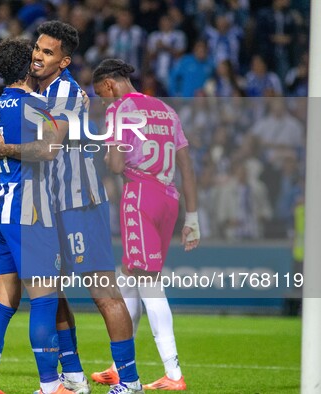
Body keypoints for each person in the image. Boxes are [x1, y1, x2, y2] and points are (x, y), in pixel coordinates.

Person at [0, 21, 143, 394]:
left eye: (47, 52)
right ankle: (72, 377)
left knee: (103, 292)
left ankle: (131, 381)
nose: (38, 56)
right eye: (37, 49)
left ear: (64, 60)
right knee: (49, 293)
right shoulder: (35, 92)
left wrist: (6, 148)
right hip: (46, 207)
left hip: (78, 203)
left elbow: (48, 146)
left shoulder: (66, 93)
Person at [91, 59, 200, 391]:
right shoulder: (166, 110)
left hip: (139, 194)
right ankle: (118, 365)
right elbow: (186, 164)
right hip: (169, 199)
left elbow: (117, 163)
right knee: (129, 275)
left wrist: (109, 155)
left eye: (101, 94)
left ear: (109, 85)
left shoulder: (119, 110)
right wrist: (192, 217)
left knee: (149, 283)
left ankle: (174, 372)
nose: (104, 101)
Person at [0, 37, 73, 394]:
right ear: (29, 65)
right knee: (44, 297)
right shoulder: (36, 105)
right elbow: (49, 151)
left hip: (1, 206)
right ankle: (50, 385)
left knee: (5, 299)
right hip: (28, 210)